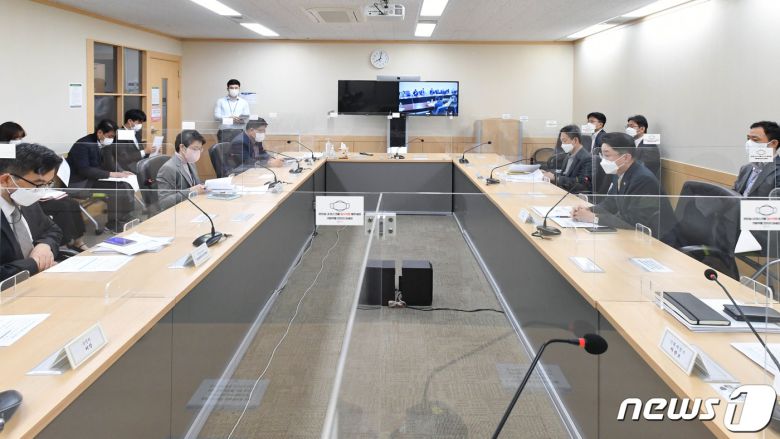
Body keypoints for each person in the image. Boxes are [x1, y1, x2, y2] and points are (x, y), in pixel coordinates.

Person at [572, 132, 677, 245]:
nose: (603, 160)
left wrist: (594, 218)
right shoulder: (619, 172)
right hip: (636, 236)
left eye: (607, 155)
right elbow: (610, 204)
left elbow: (633, 220)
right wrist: (588, 210)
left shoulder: (643, 179)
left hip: (658, 241)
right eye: (602, 155)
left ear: (626, 157)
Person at [0, 122, 88, 251]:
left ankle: (77, 241)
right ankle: (66, 244)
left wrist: (45, 245)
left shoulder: (27, 204)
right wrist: (35, 260)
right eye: (15, 138)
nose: (19, 141)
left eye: (21, 138)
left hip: (21, 194)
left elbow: (52, 229)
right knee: (63, 206)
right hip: (13, 193)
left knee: (71, 203)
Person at [1, 142, 64, 282]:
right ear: (6, 180)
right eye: (38, 184)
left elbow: (52, 229)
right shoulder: (21, 194)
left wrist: (45, 245)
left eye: (48, 183)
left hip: (39, 279)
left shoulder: (24, 199)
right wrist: (34, 264)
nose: (42, 191)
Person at [67, 119, 136, 232]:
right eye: (110, 136)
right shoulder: (83, 145)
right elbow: (84, 170)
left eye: (113, 137)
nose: (111, 139)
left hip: (93, 178)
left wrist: (122, 172)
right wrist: (111, 174)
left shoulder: (102, 143)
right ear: (100, 133)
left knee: (124, 183)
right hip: (81, 183)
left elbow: (108, 163)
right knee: (116, 188)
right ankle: (112, 224)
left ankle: (124, 217)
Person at [157, 130, 207, 211]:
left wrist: (207, 185)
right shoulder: (168, 168)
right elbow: (164, 202)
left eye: (200, 149)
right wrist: (190, 191)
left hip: (192, 206)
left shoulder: (190, 162)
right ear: (182, 148)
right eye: (195, 149)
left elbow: (195, 183)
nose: (198, 152)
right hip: (177, 212)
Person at [733, 121, 780, 197]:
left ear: (773, 143)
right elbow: (733, 194)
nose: (749, 143)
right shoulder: (745, 168)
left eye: (755, 140)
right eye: (748, 139)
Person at [543, 125, 592, 193]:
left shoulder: (587, 158)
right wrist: (549, 174)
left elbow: (582, 184)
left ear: (575, 140)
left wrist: (556, 178)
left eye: (564, 141)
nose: (562, 145)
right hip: (563, 190)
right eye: (561, 141)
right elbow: (565, 175)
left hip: (574, 195)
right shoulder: (568, 155)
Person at [104, 109, 149, 174]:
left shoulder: (137, 134)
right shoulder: (121, 133)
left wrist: (151, 151)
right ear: (130, 121)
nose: (140, 125)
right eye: (139, 122)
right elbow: (123, 157)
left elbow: (139, 151)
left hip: (139, 166)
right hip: (126, 169)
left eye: (141, 123)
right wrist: (144, 151)